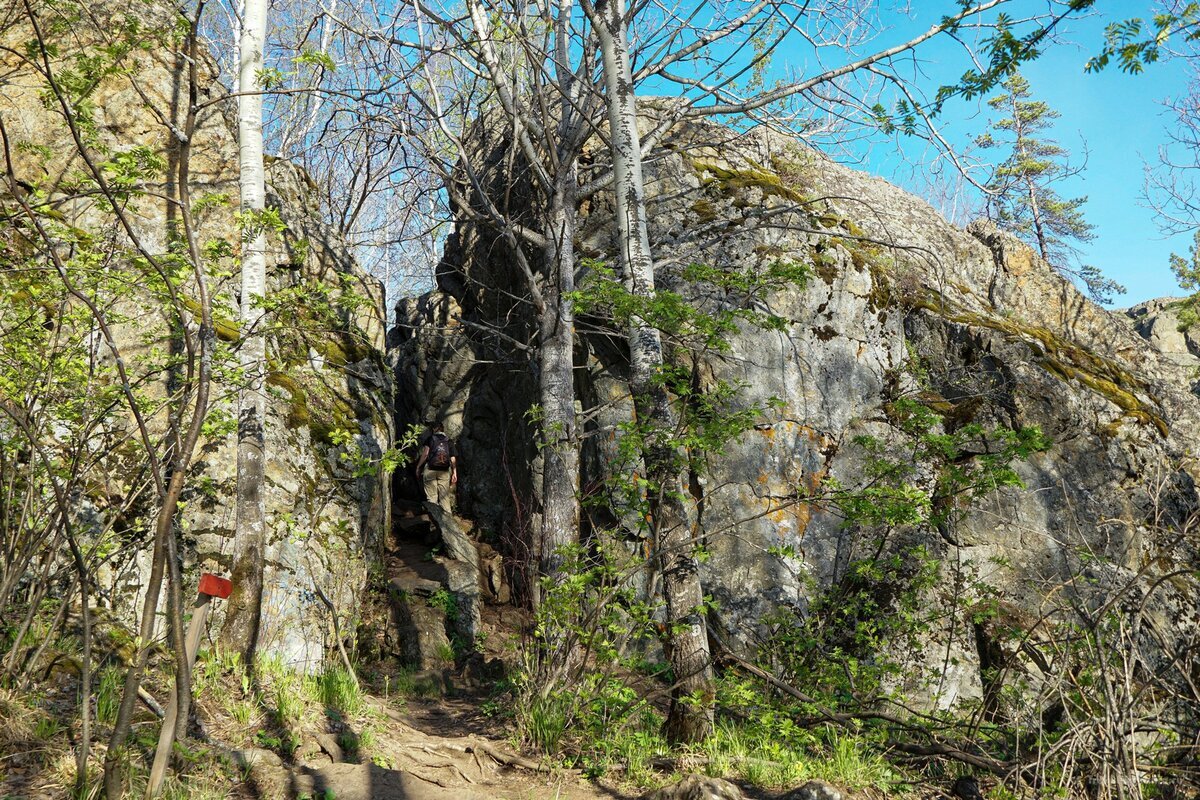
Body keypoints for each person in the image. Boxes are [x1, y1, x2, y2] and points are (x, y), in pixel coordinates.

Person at [415, 421, 457, 515]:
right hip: (444, 471)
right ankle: (449, 525)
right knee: (444, 498)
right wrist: (454, 472)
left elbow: (425, 454)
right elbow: (453, 458)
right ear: (442, 429)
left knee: (432, 498)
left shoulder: (430, 439)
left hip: (430, 469)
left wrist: (418, 467)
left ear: (434, 429)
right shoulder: (448, 441)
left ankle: (433, 523)